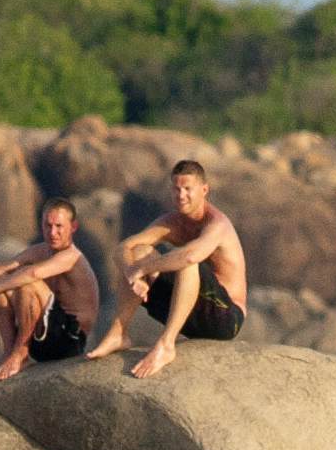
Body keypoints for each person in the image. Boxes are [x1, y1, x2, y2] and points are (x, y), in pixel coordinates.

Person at [85, 159, 248, 378]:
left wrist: (144, 269)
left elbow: (191, 256)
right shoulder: (171, 222)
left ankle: (166, 344)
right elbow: (123, 248)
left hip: (225, 318)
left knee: (186, 263)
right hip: (191, 314)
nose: (181, 195)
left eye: (188, 189)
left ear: (204, 190)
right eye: (176, 189)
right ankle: (118, 333)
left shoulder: (217, 225)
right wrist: (133, 273)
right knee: (140, 251)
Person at [0, 200, 103, 381]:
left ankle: (21, 353)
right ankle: (9, 352)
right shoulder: (40, 251)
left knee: (26, 284)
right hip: (43, 337)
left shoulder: (72, 257)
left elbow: (34, 273)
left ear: (73, 227)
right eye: (48, 225)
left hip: (69, 341)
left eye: (59, 226)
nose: (53, 232)